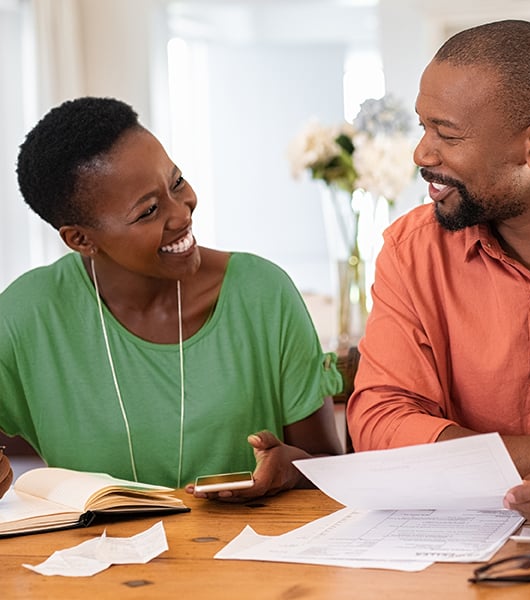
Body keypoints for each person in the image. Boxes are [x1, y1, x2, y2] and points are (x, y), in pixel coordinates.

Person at [0, 96, 343, 502]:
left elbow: (327, 466)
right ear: (81, 239)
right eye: (148, 211)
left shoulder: (262, 294)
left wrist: (287, 469)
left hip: (249, 559)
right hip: (91, 560)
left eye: (176, 182)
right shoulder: (27, 316)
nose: (182, 213)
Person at [347, 19, 530, 535]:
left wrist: (462, 455)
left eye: (448, 134)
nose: (422, 153)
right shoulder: (411, 251)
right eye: (423, 127)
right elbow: (380, 420)